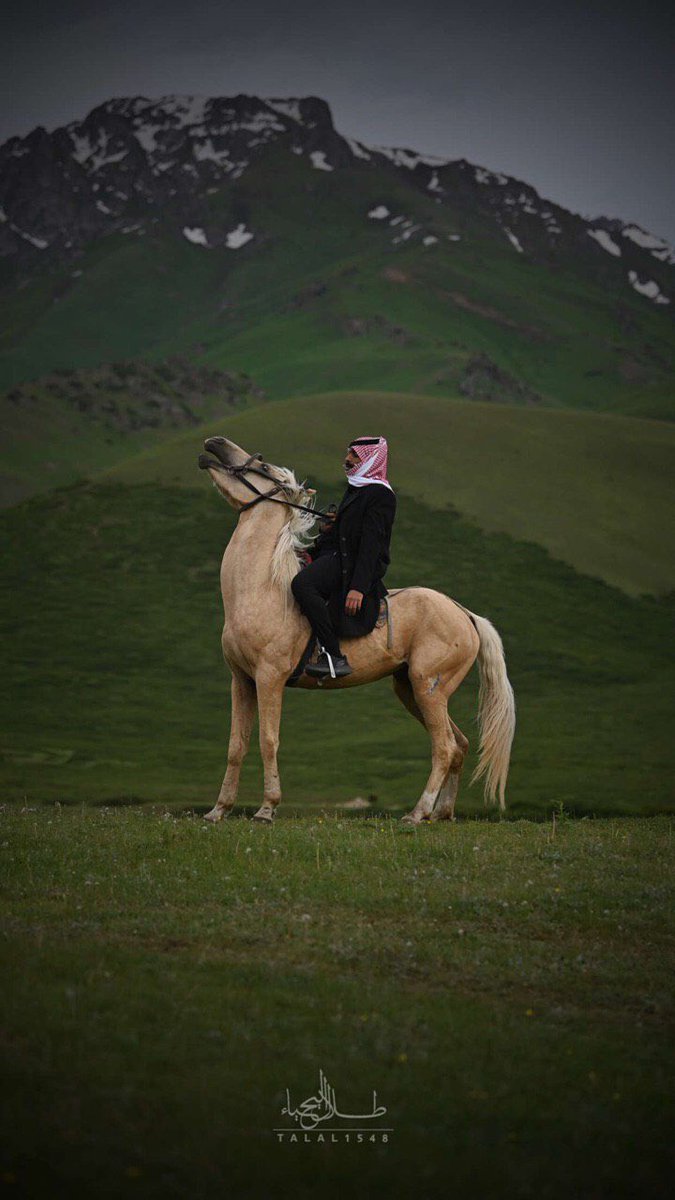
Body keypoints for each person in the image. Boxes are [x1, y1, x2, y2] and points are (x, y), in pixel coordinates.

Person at [290, 435, 397, 679]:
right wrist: (317, 544)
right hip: (340, 556)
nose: (347, 459)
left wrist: (358, 587)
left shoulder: (381, 496)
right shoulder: (358, 487)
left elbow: (371, 546)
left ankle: (333, 656)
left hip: (354, 564)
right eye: (348, 454)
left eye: (354, 455)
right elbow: (345, 534)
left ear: (370, 459)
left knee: (302, 585)